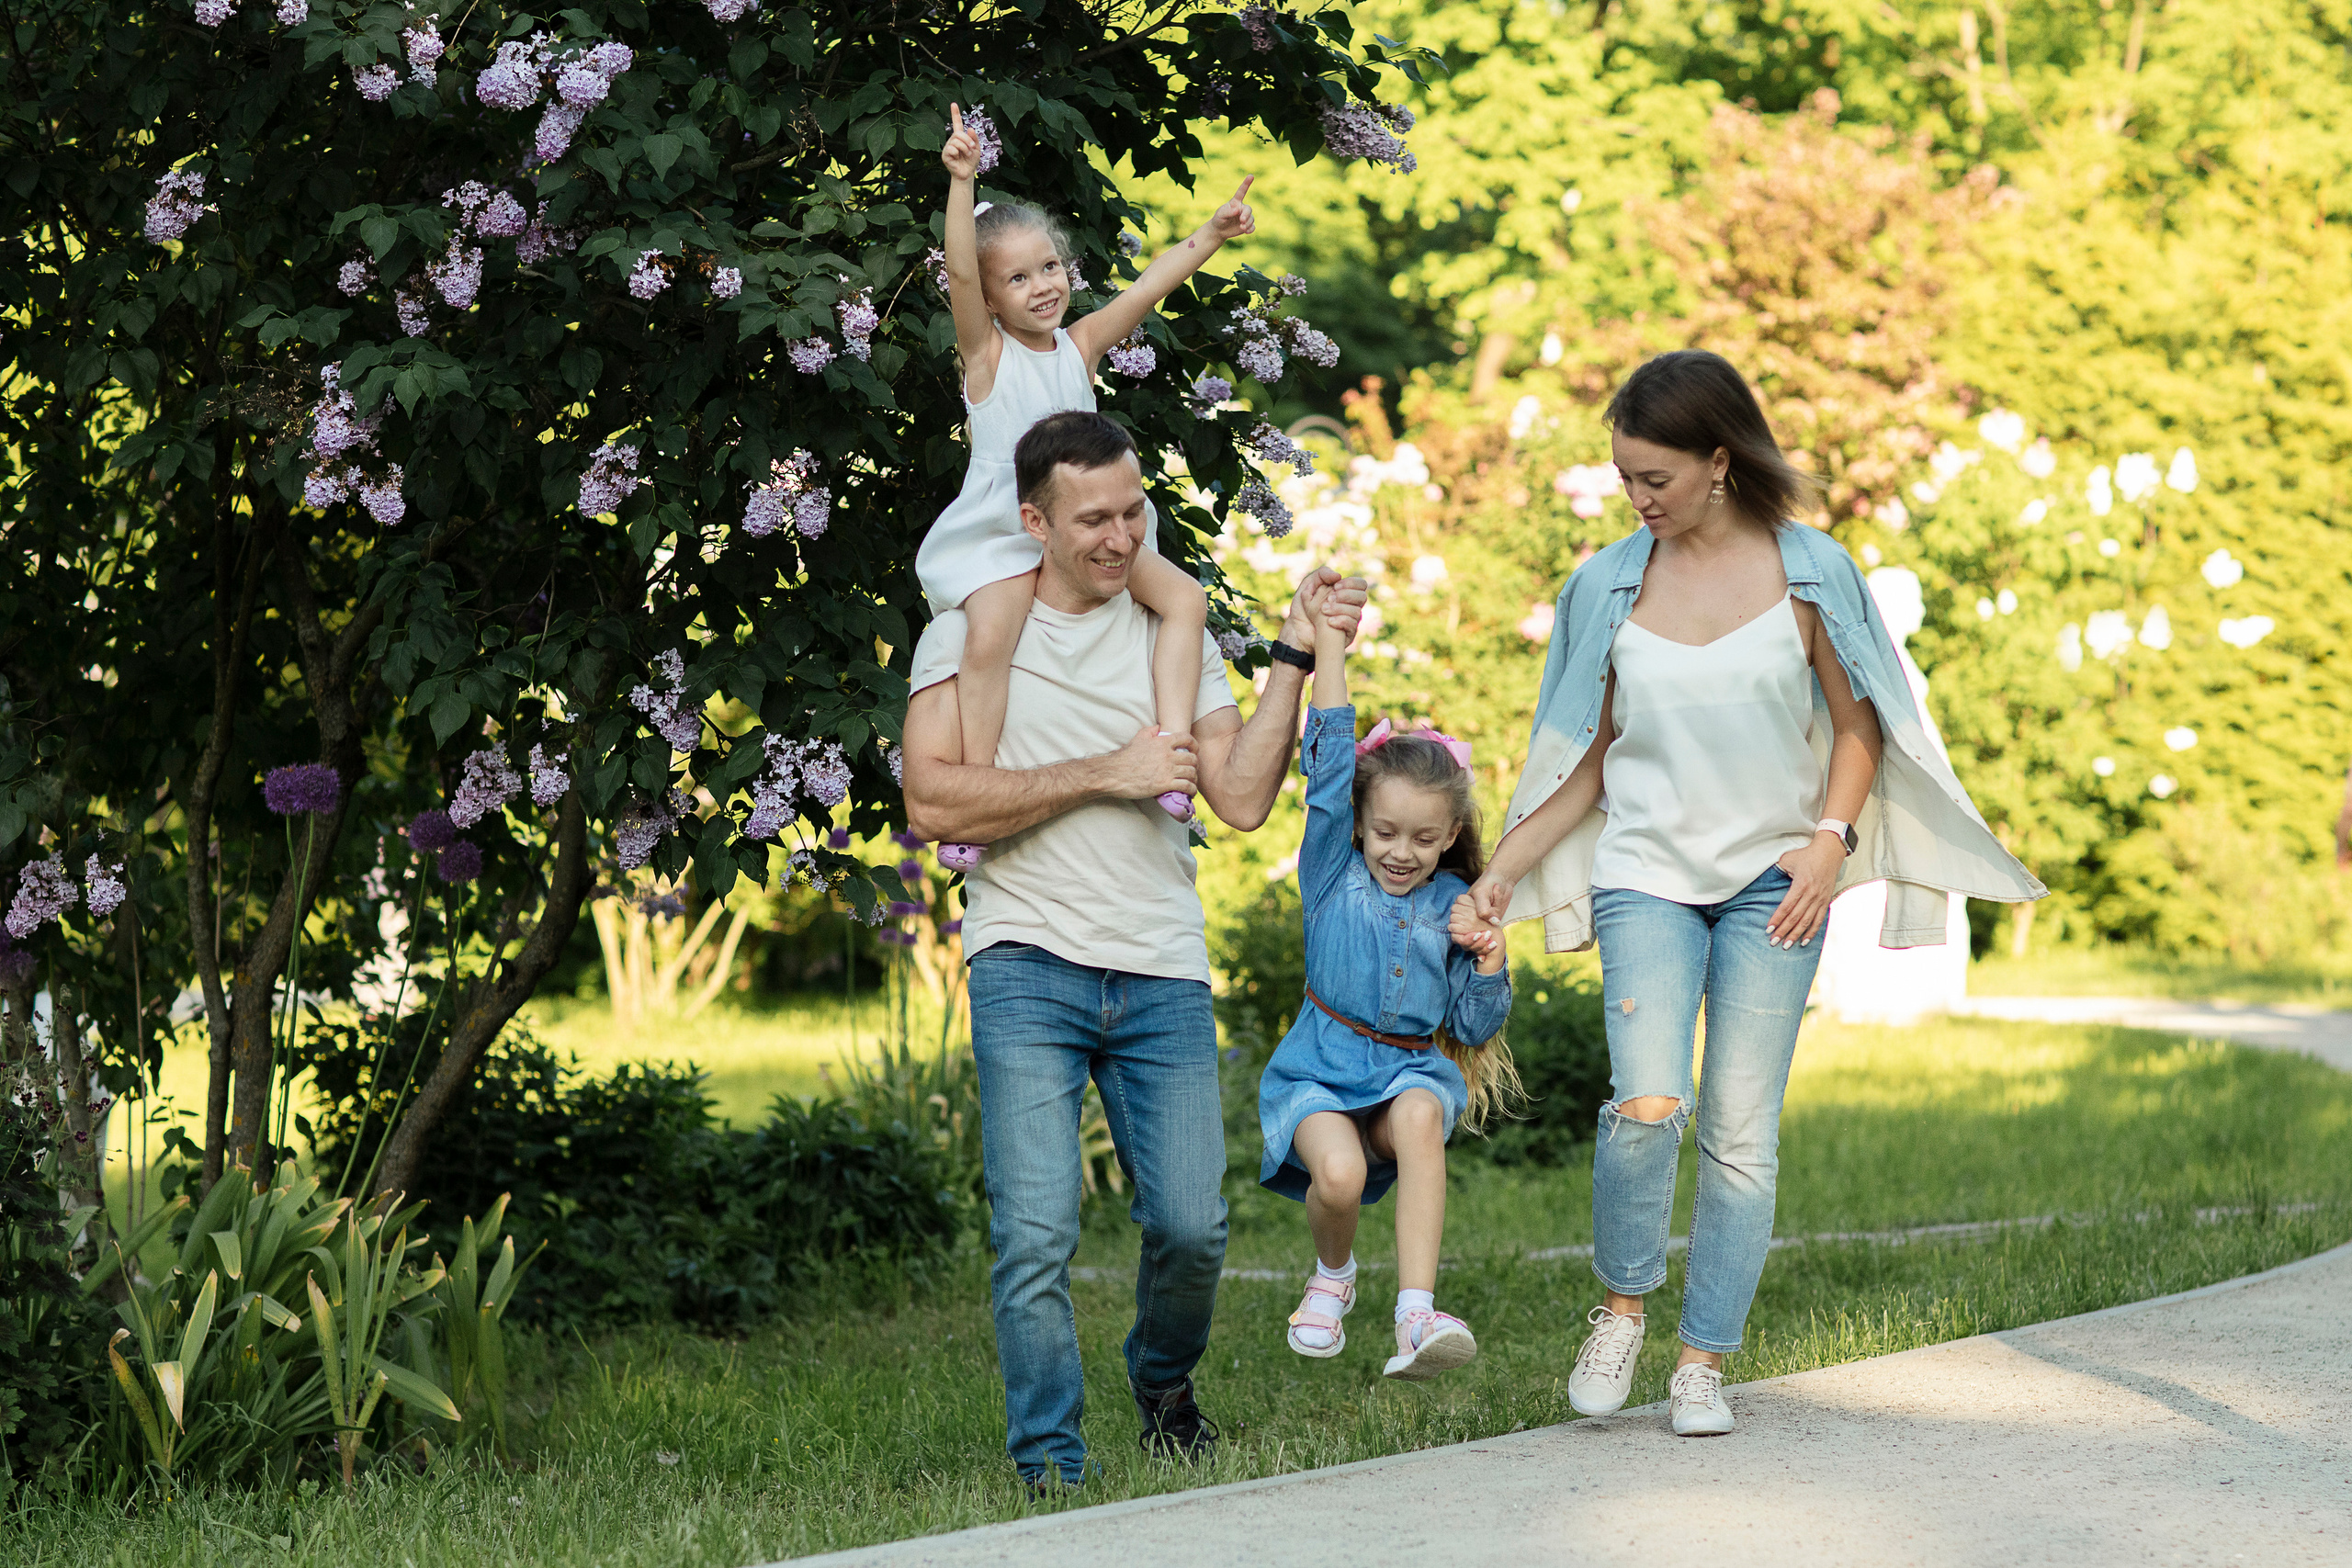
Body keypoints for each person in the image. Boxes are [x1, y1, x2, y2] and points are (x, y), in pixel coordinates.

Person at [1465, 350, 2043, 1438]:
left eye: (1653, 478)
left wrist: (1830, 843)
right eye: (1624, 478)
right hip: (1643, 873)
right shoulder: (1607, 585)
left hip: (1774, 881)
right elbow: (1578, 758)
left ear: (1719, 462)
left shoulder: (1811, 570)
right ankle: (1623, 1308)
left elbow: (1861, 724)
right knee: (1646, 1103)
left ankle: (1700, 1366)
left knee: (1740, 1131)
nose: (1635, 499)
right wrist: (1498, 874)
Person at [900, 409, 1366, 1493]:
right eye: (1094, 520)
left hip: (1158, 961)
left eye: (1133, 513)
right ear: (1034, 521)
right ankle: (1052, 1466)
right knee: (1034, 1234)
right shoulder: (972, 632)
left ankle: (1160, 1381)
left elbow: (1241, 796)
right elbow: (931, 795)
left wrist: (1295, 654)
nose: (1120, 539)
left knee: (1195, 1227)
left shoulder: (1173, 635)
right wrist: (1103, 772)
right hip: (1026, 958)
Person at [921, 103, 1260, 872]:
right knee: (989, 638)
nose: (1042, 286)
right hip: (1011, 534)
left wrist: (1210, 235)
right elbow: (961, 271)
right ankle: (982, 791)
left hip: (1087, 531)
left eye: (1050, 267)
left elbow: (1148, 289)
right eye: (1018, 277)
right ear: (993, 295)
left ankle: (1170, 753)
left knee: (1186, 599)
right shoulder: (988, 358)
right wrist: (961, 182)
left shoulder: (1078, 346)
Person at [1258, 605, 1518, 1380]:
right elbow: (1331, 757)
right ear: (1361, 825)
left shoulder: (1455, 904)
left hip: (1404, 1070)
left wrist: (1489, 962)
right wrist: (1329, 643)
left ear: (1449, 836)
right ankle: (1334, 1275)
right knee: (1334, 1177)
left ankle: (1415, 1314)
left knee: (1421, 1107)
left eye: (1425, 839)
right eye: (1386, 833)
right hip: (1320, 1073)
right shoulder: (1330, 872)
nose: (1402, 852)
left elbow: (1472, 1025)